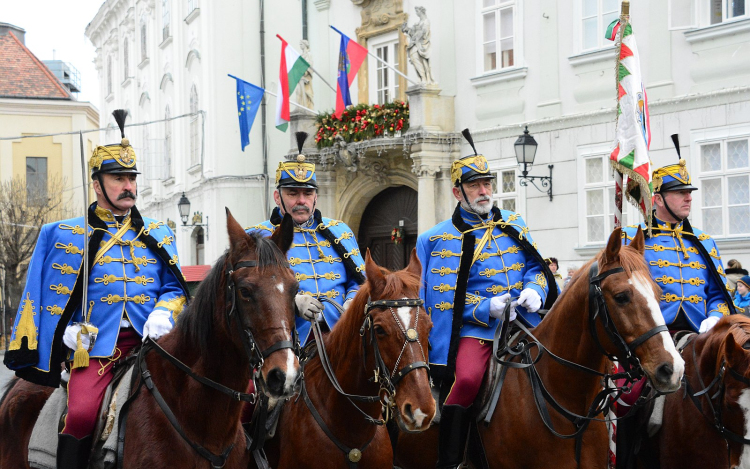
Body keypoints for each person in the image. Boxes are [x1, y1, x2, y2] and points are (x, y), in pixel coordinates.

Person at [3, 110, 189, 469]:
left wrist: (165, 312)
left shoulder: (159, 233)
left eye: (132, 178)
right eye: (119, 178)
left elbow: (175, 287)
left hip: (156, 346)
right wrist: (68, 333)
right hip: (98, 351)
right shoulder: (60, 234)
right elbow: (43, 300)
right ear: (97, 184)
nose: (129, 186)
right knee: (82, 414)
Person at [416, 129, 557, 469]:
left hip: (528, 321)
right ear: (457, 191)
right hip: (476, 330)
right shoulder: (435, 239)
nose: (484, 191)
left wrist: (535, 291)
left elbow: (536, 267)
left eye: (487, 183)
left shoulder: (514, 222)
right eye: (475, 185)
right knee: (464, 380)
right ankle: (451, 461)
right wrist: (485, 308)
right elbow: (439, 301)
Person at [247, 132, 365, 344]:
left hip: (342, 336)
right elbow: (248, 293)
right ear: (277, 197)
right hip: (286, 341)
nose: (301, 200)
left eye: (307, 194)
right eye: (293, 193)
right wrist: (292, 302)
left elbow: (361, 280)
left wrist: (351, 302)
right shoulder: (258, 236)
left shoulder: (340, 231)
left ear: (315, 197)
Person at [622, 138, 736, 334]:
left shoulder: (704, 241)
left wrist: (715, 317)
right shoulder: (631, 237)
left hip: (699, 337)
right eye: (681, 192)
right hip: (648, 338)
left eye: (689, 192)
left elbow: (720, 295)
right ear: (658, 199)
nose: (689, 198)